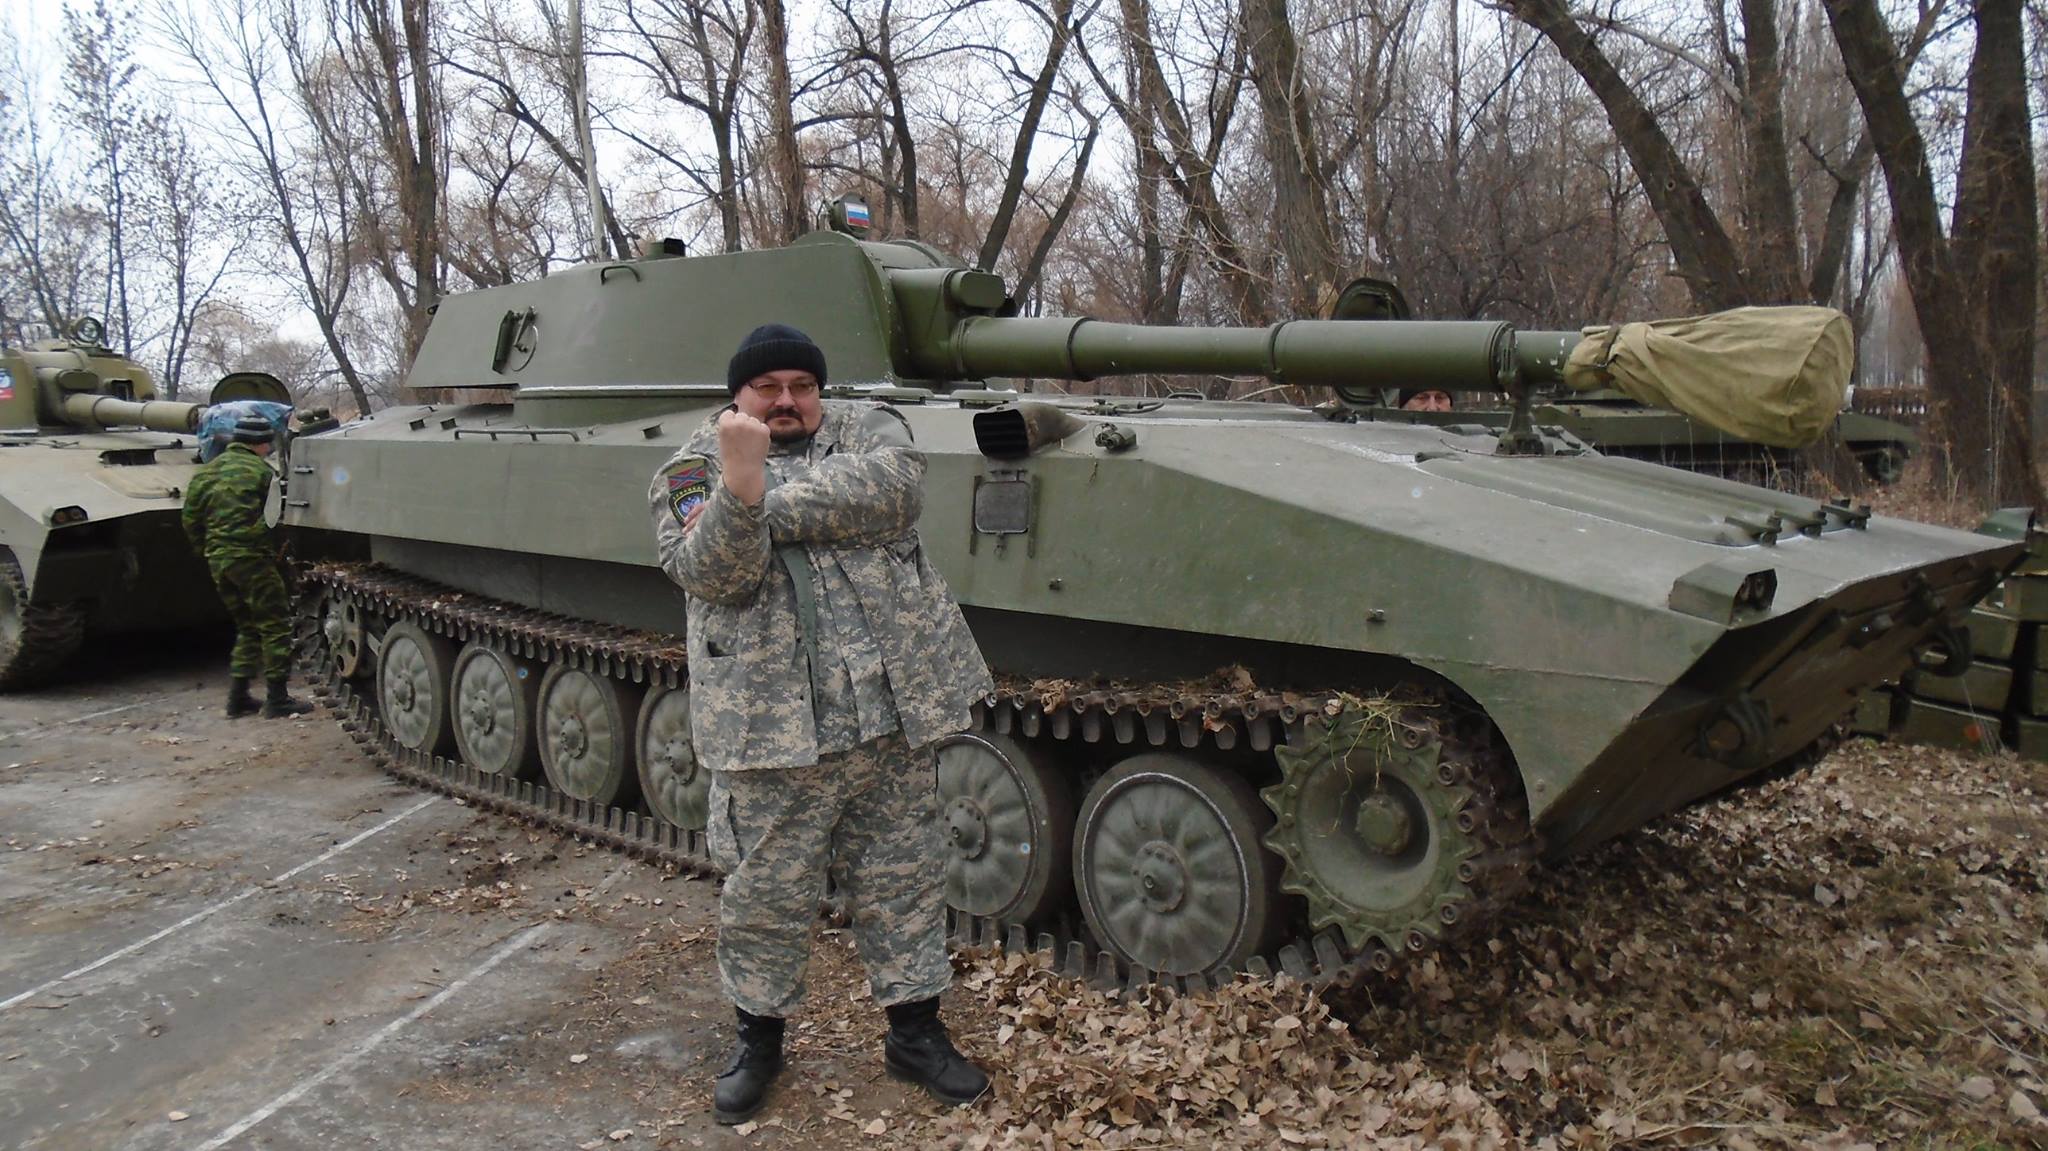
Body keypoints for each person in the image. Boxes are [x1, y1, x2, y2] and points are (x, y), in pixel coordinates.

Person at [648, 323, 995, 1125]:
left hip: (886, 718)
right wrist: (735, 484)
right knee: (766, 896)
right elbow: (712, 572)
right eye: (766, 387)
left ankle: (914, 1033)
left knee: (903, 881)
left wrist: (756, 496)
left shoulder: (865, 430)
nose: (786, 400)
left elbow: (896, 491)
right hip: (774, 736)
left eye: (801, 385)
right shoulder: (692, 467)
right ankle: (758, 1041)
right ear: (736, 396)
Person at [181, 417, 314, 719]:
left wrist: (207, 548)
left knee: (248, 627)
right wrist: (271, 551)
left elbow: (190, 519)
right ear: (263, 443)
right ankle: (277, 699)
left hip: (218, 560)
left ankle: (238, 697)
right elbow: (272, 520)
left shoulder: (206, 472)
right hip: (251, 559)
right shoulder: (262, 473)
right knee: (276, 624)